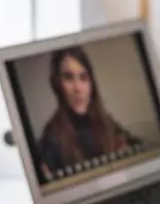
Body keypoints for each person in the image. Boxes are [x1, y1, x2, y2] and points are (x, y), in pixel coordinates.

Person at [37, 46, 140, 180]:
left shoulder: (106, 120)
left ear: (91, 84)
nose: (78, 88)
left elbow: (138, 147)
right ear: (57, 83)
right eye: (68, 78)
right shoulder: (51, 137)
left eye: (83, 78)